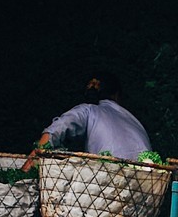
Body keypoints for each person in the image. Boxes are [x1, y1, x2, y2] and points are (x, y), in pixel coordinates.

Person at [23, 70, 151, 169]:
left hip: (110, 183)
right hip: (146, 186)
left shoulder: (89, 110)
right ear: (117, 95)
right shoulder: (136, 122)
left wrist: (33, 158)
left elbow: (56, 129)